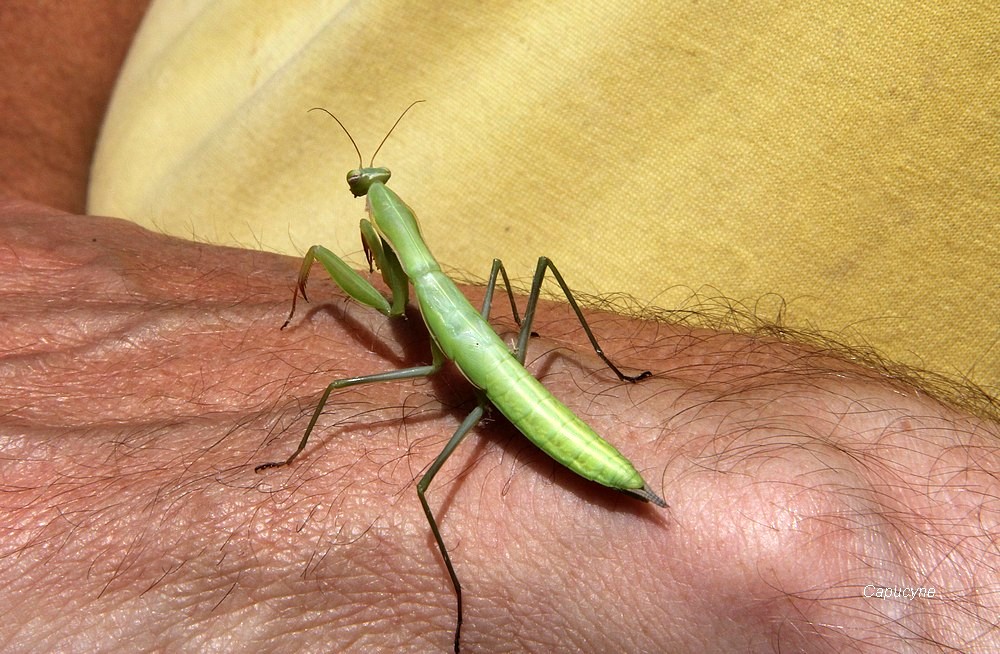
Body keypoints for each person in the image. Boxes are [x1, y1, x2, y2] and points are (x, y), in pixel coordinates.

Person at [2, 3, 997, 651]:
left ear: (372, 204)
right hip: (490, 350)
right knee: (507, 298)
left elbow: (377, 308)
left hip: (551, 423)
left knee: (354, 402)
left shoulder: (391, 272)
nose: (366, 192)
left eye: (367, 187)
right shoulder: (424, 264)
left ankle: (463, 585)